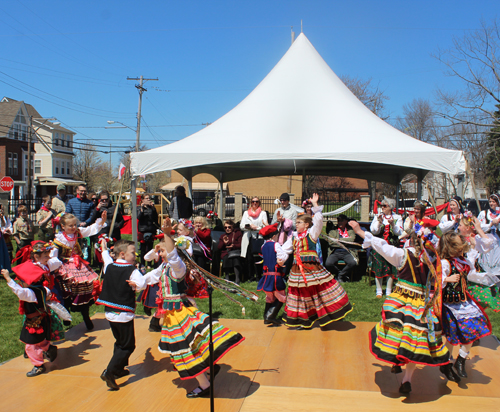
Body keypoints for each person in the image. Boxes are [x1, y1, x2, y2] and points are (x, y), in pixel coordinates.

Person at [131, 218, 245, 398]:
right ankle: (208, 369)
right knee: (188, 347)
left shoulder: (178, 267)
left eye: (163, 250)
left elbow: (174, 256)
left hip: (180, 313)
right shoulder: (164, 268)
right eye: (160, 250)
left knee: (184, 350)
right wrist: (135, 284)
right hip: (171, 316)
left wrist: (168, 235)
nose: (160, 253)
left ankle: (205, 384)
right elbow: (146, 279)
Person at [349, 220, 460, 394]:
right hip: (420, 306)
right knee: (415, 340)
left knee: (394, 332)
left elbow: (381, 246)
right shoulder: (433, 261)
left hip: (402, 300)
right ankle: (406, 379)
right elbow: (438, 284)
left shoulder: (402, 255)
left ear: (411, 240)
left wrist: (360, 231)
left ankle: (396, 362)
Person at [277, 194, 352, 329]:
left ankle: (325, 315)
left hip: (312, 269)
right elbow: (284, 250)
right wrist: (280, 259)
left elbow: (318, 221)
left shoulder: (311, 234)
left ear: (306, 225)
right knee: (300, 296)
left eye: (299, 222)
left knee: (318, 293)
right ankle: (303, 320)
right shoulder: (293, 237)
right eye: (297, 222)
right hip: (297, 271)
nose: (296, 224)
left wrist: (316, 205)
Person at [438, 228, 493, 379]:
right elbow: (435, 280)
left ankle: (461, 358)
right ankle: (447, 364)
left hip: (464, 302)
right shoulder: (444, 263)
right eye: (458, 245)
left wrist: (486, 278)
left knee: (475, 328)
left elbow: (471, 274)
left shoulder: (463, 261)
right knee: (452, 336)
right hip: (450, 304)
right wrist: (446, 279)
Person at [2, 241, 62, 377]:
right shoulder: (42, 289)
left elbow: (19, 292)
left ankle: (38, 365)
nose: (20, 282)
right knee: (40, 339)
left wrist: (7, 279)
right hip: (42, 318)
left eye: (21, 280)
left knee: (30, 344)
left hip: (34, 322)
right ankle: (48, 348)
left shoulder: (30, 293)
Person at [97, 239, 145, 390]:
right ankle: (109, 372)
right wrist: (137, 286)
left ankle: (118, 369)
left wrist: (104, 247)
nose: (135, 255)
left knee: (119, 341)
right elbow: (142, 284)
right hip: (123, 313)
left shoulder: (109, 266)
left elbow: (105, 256)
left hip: (110, 313)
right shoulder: (132, 271)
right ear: (123, 254)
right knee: (127, 345)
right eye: (133, 252)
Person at [51, 211, 107, 331]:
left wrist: (101, 221)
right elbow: (54, 256)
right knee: (66, 290)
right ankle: (66, 315)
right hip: (65, 265)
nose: (73, 228)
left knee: (84, 287)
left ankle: (86, 317)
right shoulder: (59, 239)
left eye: (74, 225)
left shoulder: (78, 233)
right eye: (70, 226)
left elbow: (91, 229)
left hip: (79, 264)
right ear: (63, 226)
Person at [457, 213, 500, 312]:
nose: (458, 227)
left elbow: (489, 244)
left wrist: (479, 229)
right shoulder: (458, 239)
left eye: (460, 225)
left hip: (472, 276)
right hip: (460, 275)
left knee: (474, 305)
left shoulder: (475, 238)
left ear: (467, 228)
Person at [369, 197, 403, 297]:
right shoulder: (377, 217)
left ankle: (388, 291)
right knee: (379, 266)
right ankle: (379, 291)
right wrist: (379, 222)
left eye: (384, 206)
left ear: (391, 207)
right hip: (379, 246)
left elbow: (399, 232)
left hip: (391, 245)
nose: (382, 208)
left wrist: (393, 224)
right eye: (381, 206)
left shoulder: (397, 218)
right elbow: (374, 231)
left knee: (391, 267)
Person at [257, 223, 286, 325]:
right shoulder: (276, 245)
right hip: (275, 276)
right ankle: (270, 315)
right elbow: (281, 259)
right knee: (282, 297)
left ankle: (266, 317)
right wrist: (283, 261)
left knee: (269, 297)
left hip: (266, 276)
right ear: (274, 236)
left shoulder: (263, 246)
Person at [240, 197, 268, 281]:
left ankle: (259, 276)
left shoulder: (263, 213)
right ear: (251, 203)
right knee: (249, 258)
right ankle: (251, 276)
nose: (255, 203)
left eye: (256, 201)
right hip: (249, 237)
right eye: (253, 201)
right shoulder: (246, 213)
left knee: (258, 258)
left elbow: (264, 226)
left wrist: (255, 228)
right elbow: (241, 226)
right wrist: (249, 227)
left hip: (259, 237)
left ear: (259, 203)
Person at [325, 214, 358, 283]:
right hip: (335, 252)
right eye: (338, 221)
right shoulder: (333, 231)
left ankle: (340, 276)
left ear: (346, 221)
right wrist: (346, 240)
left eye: (342, 221)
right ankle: (341, 274)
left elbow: (352, 240)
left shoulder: (350, 231)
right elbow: (331, 242)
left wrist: (338, 240)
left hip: (347, 251)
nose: (340, 222)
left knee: (353, 263)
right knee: (328, 263)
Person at [218, 220, 243, 285]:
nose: (227, 229)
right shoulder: (223, 236)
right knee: (226, 258)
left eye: (229, 227)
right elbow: (219, 247)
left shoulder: (237, 233)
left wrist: (233, 246)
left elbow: (240, 244)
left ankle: (237, 278)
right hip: (226, 252)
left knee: (235, 259)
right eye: (225, 227)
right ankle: (227, 277)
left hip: (235, 252)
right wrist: (224, 242)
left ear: (232, 227)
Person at [138, 193, 159, 266]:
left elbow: (155, 218)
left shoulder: (152, 208)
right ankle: (143, 263)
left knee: (150, 248)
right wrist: (142, 208)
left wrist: (153, 209)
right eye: (147, 198)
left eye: (149, 198)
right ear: (142, 200)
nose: (149, 199)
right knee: (143, 248)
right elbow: (139, 217)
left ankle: (149, 263)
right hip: (143, 230)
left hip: (150, 229)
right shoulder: (139, 208)